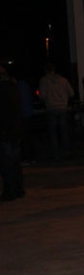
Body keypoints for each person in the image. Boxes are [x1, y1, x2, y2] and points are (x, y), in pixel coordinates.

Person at [38, 63, 75, 160]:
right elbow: (71, 93)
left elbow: (42, 96)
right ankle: (67, 152)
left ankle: (56, 153)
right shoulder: (63, 80)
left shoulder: (44, 81)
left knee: (53, 132)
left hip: (51, 108)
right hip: (62, 107)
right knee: (64, 131)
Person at [0, 63, 25, 201]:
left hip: (6, 131)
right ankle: (18, 188)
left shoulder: (4, 90)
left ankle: (10, 191)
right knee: (15, 162)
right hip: (15, 130)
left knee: (7, 163)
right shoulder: (13, 88)